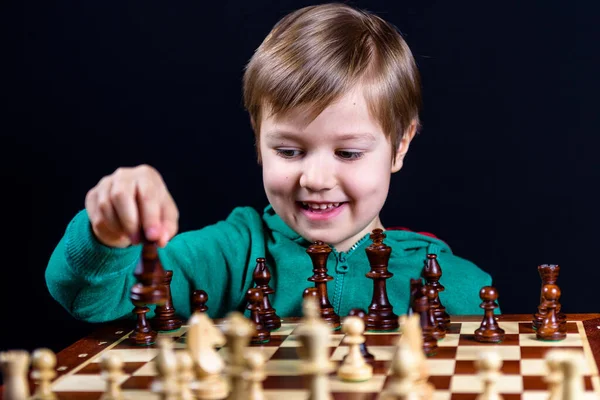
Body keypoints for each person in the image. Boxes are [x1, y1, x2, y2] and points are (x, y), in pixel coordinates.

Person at [45, 3, 493, 323]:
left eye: (348, 152)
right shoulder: (229, 254)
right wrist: (107, 234)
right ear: (258, 143)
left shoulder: (444, 278)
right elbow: (93, 301)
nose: (315, 179)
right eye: (289, 151)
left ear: (400, 146)